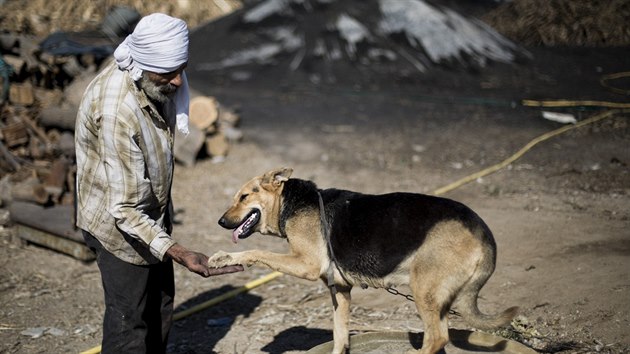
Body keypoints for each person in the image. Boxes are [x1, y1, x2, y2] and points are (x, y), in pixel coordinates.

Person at [74, 13, 242, 353]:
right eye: (169, 72)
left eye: (182, 68)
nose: (180, 82)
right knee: (130, 326)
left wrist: (166, 239)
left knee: (161, 307)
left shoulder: (155, 78)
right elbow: (123, 209)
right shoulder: (118, 112)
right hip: (118, 227)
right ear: (144, 66)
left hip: (150, 215)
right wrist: (179, 252)